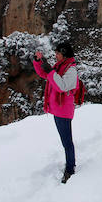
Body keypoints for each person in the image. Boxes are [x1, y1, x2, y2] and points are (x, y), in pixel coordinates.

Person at [33, 41, 80, 184]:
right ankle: (69, 165)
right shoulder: (60, 67)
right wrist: (39, 62)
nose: (56, 55)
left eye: (58, 53)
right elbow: (46, 75)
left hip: (63, 111)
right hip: (57, 109)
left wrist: (50, 70)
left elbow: (62, 86)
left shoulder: (71, 69)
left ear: (64, 54)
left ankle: (70, 168)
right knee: (65, 140)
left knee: (67, 142)